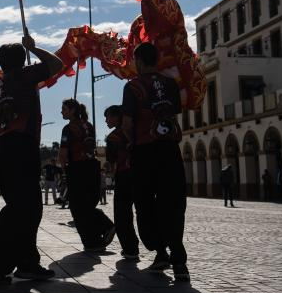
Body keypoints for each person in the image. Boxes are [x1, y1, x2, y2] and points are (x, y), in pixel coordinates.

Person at [0, 33, 62, 283]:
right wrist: (34, 48)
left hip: (3, 147)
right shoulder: (24, 75)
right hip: (21, 145)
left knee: (27, 206)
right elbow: (56, 65)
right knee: (23, 206)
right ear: (22, 61)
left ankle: (26, 262)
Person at [121, 42, 189, 280]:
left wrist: (132, 141)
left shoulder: (133, 87)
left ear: (139, 61)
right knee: (174, 202)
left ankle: (160, 251)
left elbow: (127, 124)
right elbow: (174, 112)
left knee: (145, 203)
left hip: (144, 151)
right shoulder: (170, 84)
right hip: (170, 150)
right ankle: (179, 260)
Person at [59, 98, 115, 253]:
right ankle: (95, 239)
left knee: (77, 208)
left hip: (77, 169)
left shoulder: (68, 128)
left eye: (64, 109)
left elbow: (63, 153)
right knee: (86, 205)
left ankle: (101, 231)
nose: (61, 112)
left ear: (72, 111)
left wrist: (64, 171)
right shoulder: (88, 126)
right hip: (92, 168)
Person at [104, 105, 139, 261]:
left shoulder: (113, 137)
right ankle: (160, 249)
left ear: (116, 117)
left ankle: (130, 248)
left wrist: (108, 167)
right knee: (144, 210)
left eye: (108, 117)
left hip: (124, 175)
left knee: (122, 213)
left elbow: (111, 161)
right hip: (140, 173)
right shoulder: (136, 131)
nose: (106, 120)